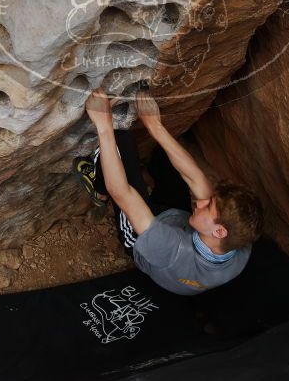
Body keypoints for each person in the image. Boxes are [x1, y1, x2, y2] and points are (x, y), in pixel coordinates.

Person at [72, 87, 264, 295]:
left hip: (145, 242)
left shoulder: (171, 251)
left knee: (120, 142)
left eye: (208, 206)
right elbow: (195, 178)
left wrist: (103, 124)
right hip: (178, 224)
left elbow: (121, 192)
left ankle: (98, 190)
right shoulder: (239, 241)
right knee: (167, 161)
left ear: (219, 231)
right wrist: (155, 125)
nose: (200, 202)